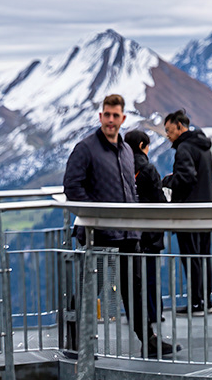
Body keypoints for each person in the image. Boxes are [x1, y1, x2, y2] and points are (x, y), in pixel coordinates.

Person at [56, 95, 174, 357]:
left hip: (128, 235)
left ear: (122, 119)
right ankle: (75, 343)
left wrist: (135, 227)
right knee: (90, 288)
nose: (111, 120)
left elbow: (129, 191)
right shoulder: (85, 149)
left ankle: (149, 341)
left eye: (115, 115)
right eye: (106, 114)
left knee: (135, 290)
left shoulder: (126, 151)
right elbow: (72, 187)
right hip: (98, 234)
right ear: (101, 117)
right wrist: (96, 217)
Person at [159, 111, 212, 313]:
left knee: (191, 257)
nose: (167, 135)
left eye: (169, 130)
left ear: (179, 127)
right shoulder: (203, 147)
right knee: (204, 256)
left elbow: (186, 178)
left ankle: (195, 303)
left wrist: (168, 180)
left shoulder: (184, 148)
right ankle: (206, 301)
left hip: (189, 212)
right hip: (207, 210)